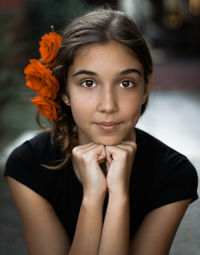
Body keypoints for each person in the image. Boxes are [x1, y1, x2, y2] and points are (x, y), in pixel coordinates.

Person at [4, 7, 198, 255]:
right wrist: (93, 198)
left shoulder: (174, 174)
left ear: (145, 87)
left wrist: (118, 197)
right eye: (88, 82)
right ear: (64, 91)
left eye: (125, 83)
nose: (108, 105)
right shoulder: (28, 165)